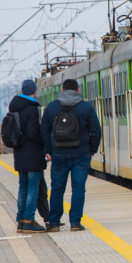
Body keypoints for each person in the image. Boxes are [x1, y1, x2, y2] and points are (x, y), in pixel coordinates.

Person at [40, 78, 101, 232]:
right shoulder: (86, 107)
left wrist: (49, 150)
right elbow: (96, 130)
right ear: (78, 91)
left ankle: (53, 222)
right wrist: (91, 149)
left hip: (59, 154)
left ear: (62, 91)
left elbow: (44, 130)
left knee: (57, 189)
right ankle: (75, 223)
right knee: (79, 188)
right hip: (81, 155)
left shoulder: (52, 107)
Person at [9, 79, 47, 233]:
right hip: (32, 155)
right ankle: (29, 220)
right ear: (34, 91)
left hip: (20, 155)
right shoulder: (31, 109)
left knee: (23, 188)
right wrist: (44, 144)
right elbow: (33, 133)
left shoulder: (14, 108)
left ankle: (21, 220)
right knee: (33, 188)